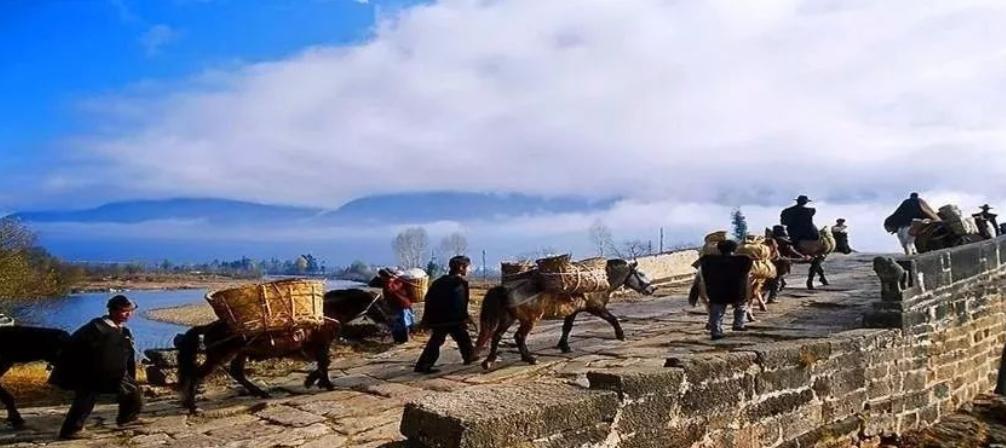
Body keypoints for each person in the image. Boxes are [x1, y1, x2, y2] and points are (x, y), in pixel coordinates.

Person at [49, 295, 143, 440]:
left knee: (132, 390)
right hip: (88, 373)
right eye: (125, 311)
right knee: (86, 398)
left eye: (130, 311)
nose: (128, 314)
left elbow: (125, 354)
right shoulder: (96, 329)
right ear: (113, 311)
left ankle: (127, 419)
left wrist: (127, 372)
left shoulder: (123, 331)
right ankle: (72, 430)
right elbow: (73, 349)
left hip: (113, 372)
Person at [414, 256, 477, 373]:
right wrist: (465, 317)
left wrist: (426, 319)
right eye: (468, 267)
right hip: (452, 319)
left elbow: (429, 300)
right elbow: (460, 304)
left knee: (455, 338)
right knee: (458, 338)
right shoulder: (460, 284)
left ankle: (469, 356)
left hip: (437, 319)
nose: (469, 270)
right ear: (461, 268)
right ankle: (424, 365)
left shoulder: (438, 282)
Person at [698, 240, 753, 340]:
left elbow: (704, 270)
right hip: (736, 290)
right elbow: (747, 270)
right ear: (735, 249)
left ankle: (716, 331)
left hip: (717, 290)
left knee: (717, 311)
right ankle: (738, 323)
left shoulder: (708, 261)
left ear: (718, 249)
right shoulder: (743, 260)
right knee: (740, 306)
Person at [376, 268, 415, 344]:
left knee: (402, 323)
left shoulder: (397, 281)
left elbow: (390, 290)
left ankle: (404, 340)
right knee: (396, 323)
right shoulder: (391, 282)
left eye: (382, 276)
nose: (381, 278)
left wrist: (389, 281)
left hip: (401, 305)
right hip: (396, 305)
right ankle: (399, 340)